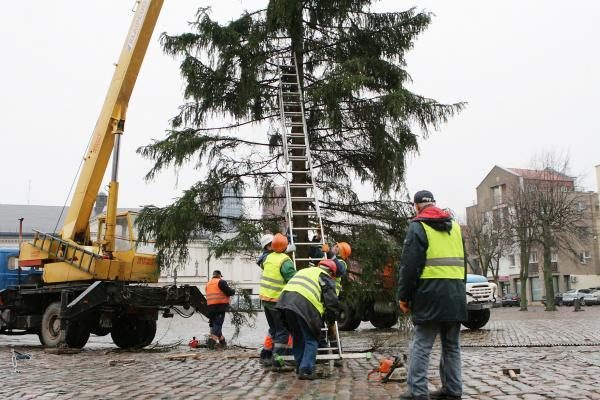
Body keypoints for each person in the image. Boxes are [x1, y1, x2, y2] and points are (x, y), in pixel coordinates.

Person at [397, 190, 467, 400]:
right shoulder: (454, 226)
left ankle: (418, 392)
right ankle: (453, 390)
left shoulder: (418, 226)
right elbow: (463, 262)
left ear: (416, 206)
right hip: (455, 293)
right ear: (434, 203)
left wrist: (404, 296)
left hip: (429, 294)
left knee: (422, 345)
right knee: (452, 345)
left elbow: (409, 267)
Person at [276, 259, 340, 380]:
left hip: (285, 302)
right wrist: (331, 321)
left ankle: (300, 366)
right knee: (312, 338)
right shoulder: (325, 277)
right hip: (304, 304)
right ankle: (306, 370)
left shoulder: (305, 271)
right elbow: (332, 303)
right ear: (331, 273)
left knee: (298, 336)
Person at [258, 233, 297, 371]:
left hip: (266, 300)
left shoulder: (267, 258)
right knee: (283, 332)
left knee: (274, 329)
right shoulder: (285, 261)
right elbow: (293, 280)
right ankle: (278, 362)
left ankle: (265, 355)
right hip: (277, 302)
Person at [205, 270, 236, 349]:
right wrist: (233, 291)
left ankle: (223, 342)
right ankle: (211, 342)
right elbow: (229, 292)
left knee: (215, 324)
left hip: (210, 307)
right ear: (219, 275)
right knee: (218, 324)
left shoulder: (208, 283)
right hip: (220, 306)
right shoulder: (221, 282)